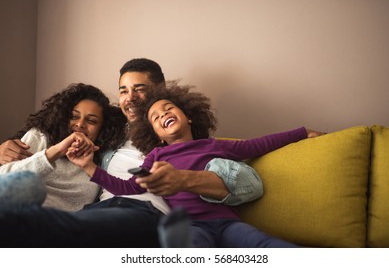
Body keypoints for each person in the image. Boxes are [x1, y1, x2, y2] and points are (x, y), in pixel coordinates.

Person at [0, 58, 262, 247]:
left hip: (144, 212)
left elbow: (250, 184)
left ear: (160, 93)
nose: (129, 97)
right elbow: (65, 139)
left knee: (63, 228)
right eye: (124, 90)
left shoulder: (179, 137)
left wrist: (184, 179)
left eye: (140, 89)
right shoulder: (108, 132)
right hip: (102, 210)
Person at [68, 82, 325, 247]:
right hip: (190, 227)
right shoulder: (156, 156)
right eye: (156, 118)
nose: (164, 115)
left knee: (266, 245)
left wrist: (303, 132)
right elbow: (127, 187)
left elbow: (260, 144)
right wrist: (88, 166)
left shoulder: (214, 145)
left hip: (227, 223)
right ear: (156, 134)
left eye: (168, 109)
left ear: (188, 117)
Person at [0, 83, 127, 211]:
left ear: (102, 128)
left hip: (59, 226)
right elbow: (4, 179)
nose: (80, 124)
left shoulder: (98, 161)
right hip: (15, 213)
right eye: (74, 117)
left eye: (91, 121)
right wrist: (57, 151)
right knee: (32, 185)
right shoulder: (40, 137)